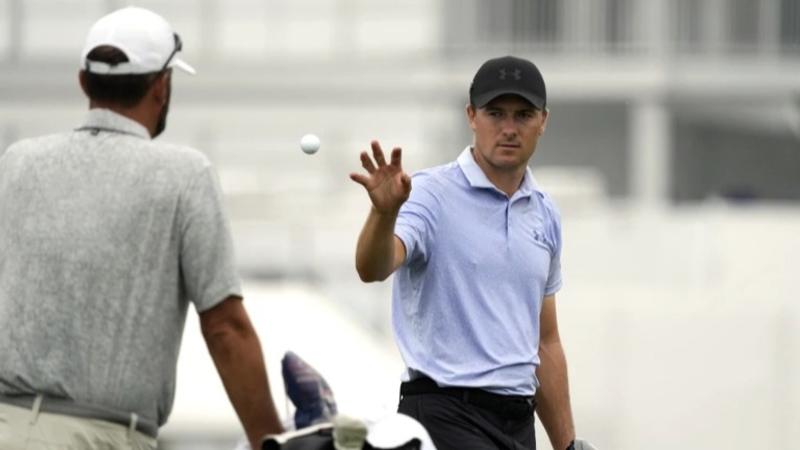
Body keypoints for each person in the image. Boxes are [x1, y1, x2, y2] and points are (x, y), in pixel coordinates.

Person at [0, 7, 282, 450]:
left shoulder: (16, 163)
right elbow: (225, 329)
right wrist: (274, 442)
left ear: (83, 82)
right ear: (162, 85)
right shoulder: (184, 175)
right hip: (105, 437)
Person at [350, 56, 577, 450]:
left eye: (523, 114)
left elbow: (545, 341)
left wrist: (567, 445)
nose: (509, 128)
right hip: (444, 412)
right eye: (495, 113)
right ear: (472, 116)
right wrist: (382, 214)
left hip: (517, 423)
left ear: (544, 121)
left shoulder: (544, 211)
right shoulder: (429, 194)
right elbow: (374, 267)